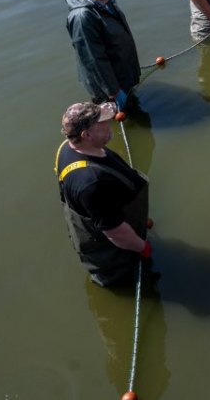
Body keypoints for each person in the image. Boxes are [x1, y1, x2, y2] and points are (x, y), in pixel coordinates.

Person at [55, 101, 151, 287]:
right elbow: (116, 233)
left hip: (110, 218)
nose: (110, 124)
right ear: (87, 135)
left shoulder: (67, 147)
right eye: (103, 124)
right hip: (112, 253)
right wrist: (143, 247)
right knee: (133, 279)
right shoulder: (91, 183)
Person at [66, 0, 141, 108]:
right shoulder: (82, 17)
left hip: (122, 75)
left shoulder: (103, 0)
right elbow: (93, 59)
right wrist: (114, 92)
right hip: (108, 88)